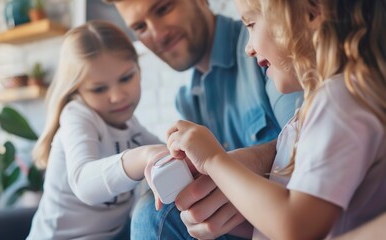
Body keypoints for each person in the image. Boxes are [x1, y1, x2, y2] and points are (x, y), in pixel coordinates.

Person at [162, 0, 386, 239]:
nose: (248, 48)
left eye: (251, 24)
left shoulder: (339, 102)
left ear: (311, 13)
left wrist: (214, 160)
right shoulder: (326, 104)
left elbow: (298, 226)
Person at [103, 0, 303, 238]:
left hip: (294, 219)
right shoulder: (187, 102)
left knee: (154, 214)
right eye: (140, 27)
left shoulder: (269, 50)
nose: (158, 34)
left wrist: (243, 163)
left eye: (163, 9)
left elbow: (309, 136)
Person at [26, 20, 167, 240]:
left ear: (138, 69)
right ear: (77, 91)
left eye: (126, 78)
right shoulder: (77, 116)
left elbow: (163, 150)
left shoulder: (131, 126)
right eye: (99, 89)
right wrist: (143, 156)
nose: (117, 96)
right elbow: (84, 183)